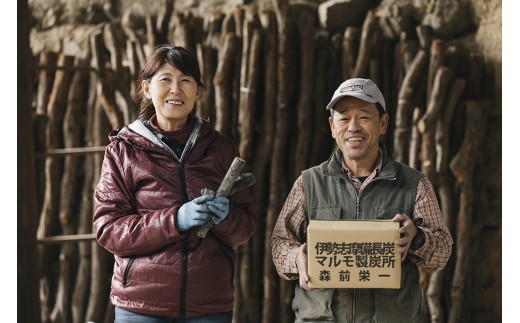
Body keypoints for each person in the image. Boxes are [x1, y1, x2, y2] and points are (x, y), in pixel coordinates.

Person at [93, 44, 256, 323]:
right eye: (165, 80)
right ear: (147, 89)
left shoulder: (221, 149)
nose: (175, 90)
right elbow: (109, 230)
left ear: (199, 92)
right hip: (141, 305)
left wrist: (226, 218)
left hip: (209, 304)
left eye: (185, 81)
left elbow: (245, 229)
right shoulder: (124, 150)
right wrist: (175, 220)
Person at [271, 78, 453, 322]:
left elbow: (441, 253)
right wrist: (297, 258)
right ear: (332, 127)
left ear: (383, 123)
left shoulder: (414, 184)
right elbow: (280, 242)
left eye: (364, 117)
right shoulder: (308, 183)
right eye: (344, 118)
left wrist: (418, 238)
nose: (353, 127)